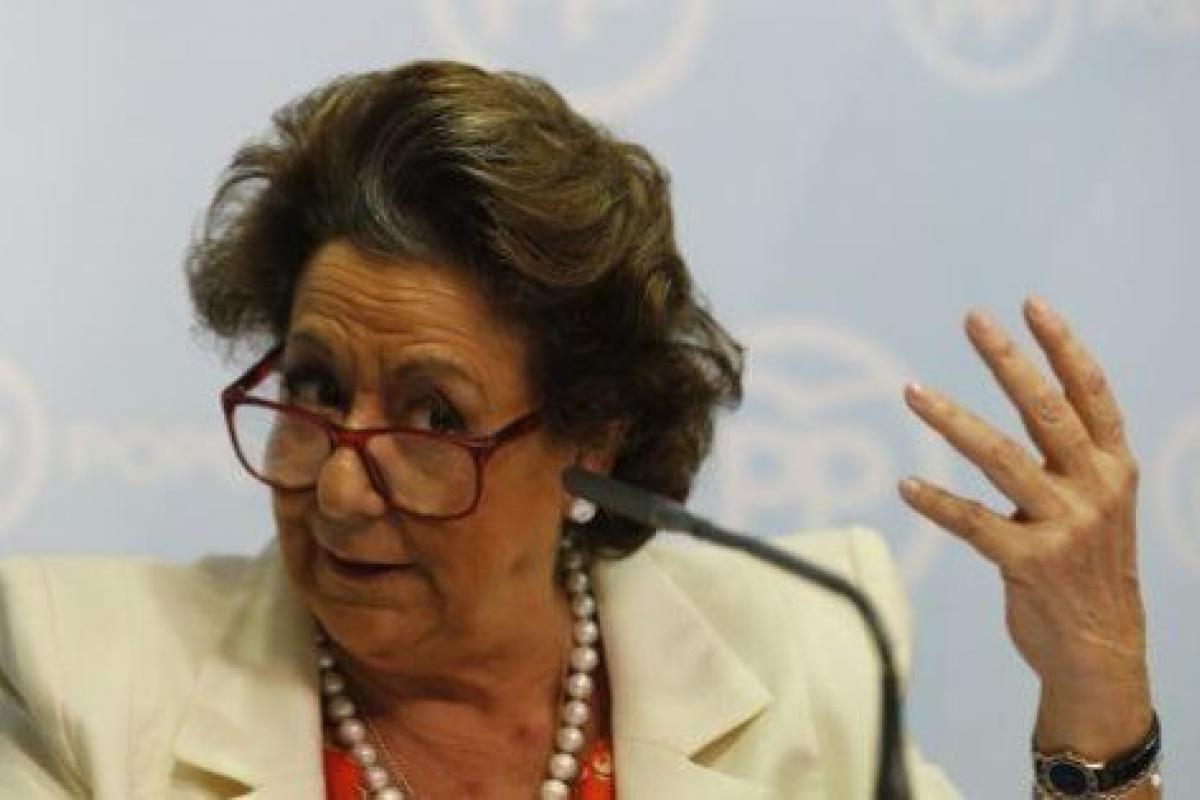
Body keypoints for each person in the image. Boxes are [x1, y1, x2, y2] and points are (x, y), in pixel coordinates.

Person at [0, 60, 1158, 799]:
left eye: (434, 415)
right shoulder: (79, 671)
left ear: (590, 439)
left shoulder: (808, 649)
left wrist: (1094, 691)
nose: (343, 490)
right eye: (313, 388)